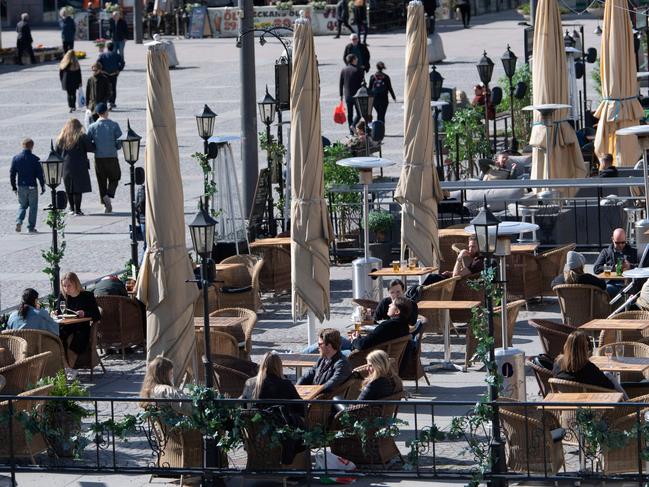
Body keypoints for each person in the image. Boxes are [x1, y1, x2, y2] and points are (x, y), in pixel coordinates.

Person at [553, 330, 626, 397]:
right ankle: (629, 405)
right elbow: (610, 386)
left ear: (567, 346)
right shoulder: (588, 368)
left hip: (565, 404)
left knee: (607, 374)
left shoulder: (557, 364)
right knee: (608, 374)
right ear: (584, 349)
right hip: (592, 406)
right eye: (587, 346)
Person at [57, 272, 101, 370]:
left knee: (77, 341)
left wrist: (84, 313)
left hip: (82, 327)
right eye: (64, 286)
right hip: (66, 326)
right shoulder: (63, 296)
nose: (66, 288)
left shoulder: (87, 296)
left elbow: (97, 315)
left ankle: (69, 370)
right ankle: (66, 369)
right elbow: (59, 312)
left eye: (69, 285)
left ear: (76, 283)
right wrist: (55, 313)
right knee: (57, 339)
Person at [56, 118, 96, 216]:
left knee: (69, 188)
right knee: (78, 189)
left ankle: (71, 208)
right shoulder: (81, 136)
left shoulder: (61, 138)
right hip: (79, 166)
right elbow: (92, 148)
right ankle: (77, 209)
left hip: (66, 166)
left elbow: (56, 153)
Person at [87, 103, 122, 213]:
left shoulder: (92, 127)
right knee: (115, 177)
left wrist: (95, 148)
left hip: (99, 158)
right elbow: (120, 140)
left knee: (101, 181)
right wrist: (117, 146)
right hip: (112, 156)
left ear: (97, 113)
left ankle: (105, 205)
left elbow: (88, 142)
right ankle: (109, 194)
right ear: (107, 112)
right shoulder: (114, 125)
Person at [298, 328, 352, 393]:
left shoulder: (342, 364)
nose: (318, 347)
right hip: (313, 395)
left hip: (321, 400)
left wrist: (311, 392)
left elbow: (329, 386)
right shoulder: (322, 359)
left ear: (329, 346)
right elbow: (308, 375)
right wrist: (297, 387)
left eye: (320, 344)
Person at [10, 138, 44, 233]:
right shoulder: (35, 159)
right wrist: (43, 186)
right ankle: (31, 227)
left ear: (22, 145)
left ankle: (19, 221)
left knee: (22, 205)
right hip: (32, 186)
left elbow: (12, 174)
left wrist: (14, 187)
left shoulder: (16, 158)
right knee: (33, 207)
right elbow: (40, 175)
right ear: (32, 146)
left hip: (21, 186)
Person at [593, 228, 637, 296]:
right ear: (612, 239)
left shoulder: (633, 252)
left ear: (626, 240)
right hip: (612, 283)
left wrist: (630, 266)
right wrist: (613, 268)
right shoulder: (606, 252)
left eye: (623, 242)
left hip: (629, 285)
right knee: (605, 289)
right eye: (617, 242)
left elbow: (642, 268)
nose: (620, 245)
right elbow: (596, 268)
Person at [339, 54, 365, 135]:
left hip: (347, 96)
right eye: (356, 59)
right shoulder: (358, 69)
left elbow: (341, 83)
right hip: (357, 96)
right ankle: (353, 125)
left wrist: (341, 95)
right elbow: (363, 84)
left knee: (350, 114)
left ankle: (351, 132)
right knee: (360, 113)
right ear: (353, 60)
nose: (357, 60)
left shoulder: (344, 70)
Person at [97, 42, 125, 110]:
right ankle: (111, 102)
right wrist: (119, 69)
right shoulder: (116, 55)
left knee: (105, 88)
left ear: (107, 47)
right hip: (113, 74)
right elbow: (122, 62)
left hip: (105, 74)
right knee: (113, 88)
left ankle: (105, 101)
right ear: (113, 48)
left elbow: (97, 63)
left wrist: (101, 70)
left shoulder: (102, 55)